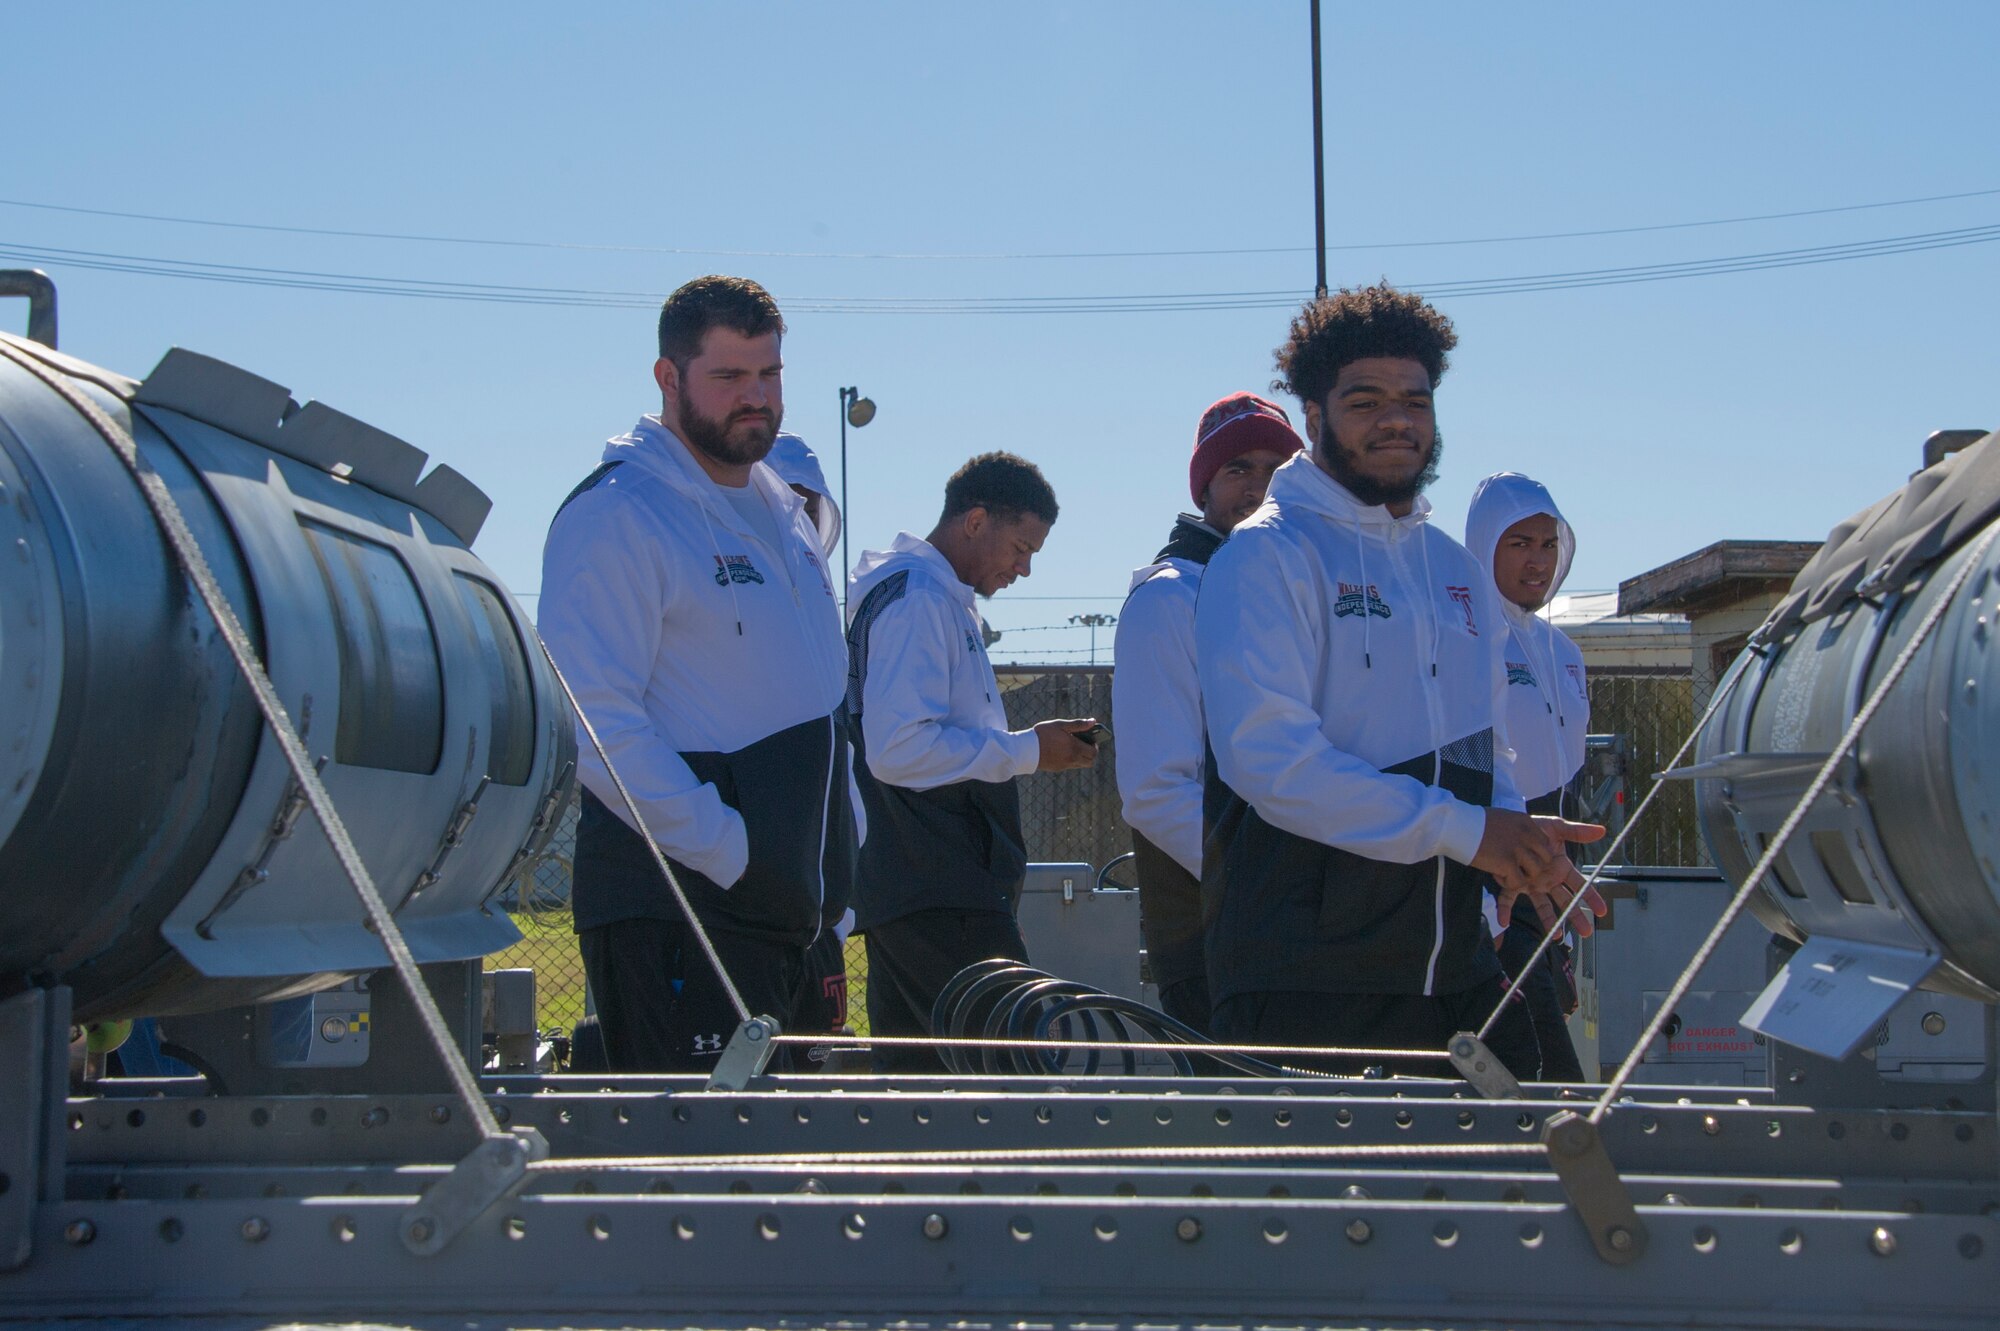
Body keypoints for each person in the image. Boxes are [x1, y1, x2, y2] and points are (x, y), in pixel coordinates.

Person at [1193, 282, 1605, 1079]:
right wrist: (1469, 831)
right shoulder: (1265, 556)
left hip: (1455, 969)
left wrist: (1517, 838)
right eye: (1366, 399)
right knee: (1323, 1205)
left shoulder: (1453, 567)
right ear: (1313, 417)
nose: (1396, 419)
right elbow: (1270, 762)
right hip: (1305, 982)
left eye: (1416, 401)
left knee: (1525, 1170)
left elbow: (1491, 751)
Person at [539, 275, 856, 1073]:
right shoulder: (621, 512)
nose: (756, 397)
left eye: (770, 375)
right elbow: (593, 722)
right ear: (668, 378)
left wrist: (839, 866)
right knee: (697, 1174)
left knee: (797, 1171)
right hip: (682, 914)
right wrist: (731, 851)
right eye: (729, 377)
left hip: (794, 916)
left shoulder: (781, 509)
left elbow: (820, 705)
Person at [844, 452, 1100, 1072]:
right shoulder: (918, 599)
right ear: (976, 521)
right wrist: (1031, 750)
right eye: (1020, 546)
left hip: (923, 887)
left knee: (923, 1085)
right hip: (939, 893)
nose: (1025, 568)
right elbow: (898, 749)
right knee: (1007, 1075)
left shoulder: (932, 596)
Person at [1112, 392, 1302, 1032]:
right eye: (1237, 469)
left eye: (1276, 470)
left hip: (1297, 936)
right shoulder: (1168, 599)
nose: (1258, 486)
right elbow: (1154, 791)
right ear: (1203, 488)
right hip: (1213, 939)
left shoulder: (1281, 591)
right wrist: (1272, 887)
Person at [1466, 472, 1591, 1080]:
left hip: (1548, 865)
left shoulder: (1564, 651)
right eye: (1518, 544)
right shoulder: (1465, 635)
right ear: (1483, 545)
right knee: (1537, 1056)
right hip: (1491, 863)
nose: (1537, 561)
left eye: (1548, 544)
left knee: (1548, 1025)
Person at [764, 430, 858, 1059]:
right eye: (783, 497)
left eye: (807, 503)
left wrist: (840, 909)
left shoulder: (820, 625)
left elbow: (840, 773)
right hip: (756, 910)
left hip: (819, 915)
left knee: (814, 1071)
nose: (795, 513)